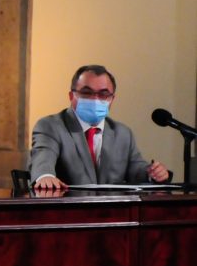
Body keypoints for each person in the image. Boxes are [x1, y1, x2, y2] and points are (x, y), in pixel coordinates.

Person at [28, 65, 170, 190]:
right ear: (71, 96)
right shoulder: (51, 126)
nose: (95, 99)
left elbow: (136, 170)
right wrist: (45, 176)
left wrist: (153, 174)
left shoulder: (122, 133)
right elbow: (43, 157)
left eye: (103, 94)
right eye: (86, 92)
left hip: (113, 213)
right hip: (67, 211)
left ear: (112, 99)